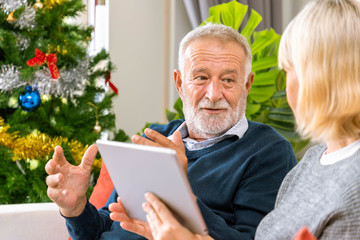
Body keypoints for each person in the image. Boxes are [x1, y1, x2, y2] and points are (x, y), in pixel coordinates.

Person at [45, 23, 297, 240]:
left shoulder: (268, 151)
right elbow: (107, 227)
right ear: (179, 83)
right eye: (200, 77)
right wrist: (76, 208)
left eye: (228, 80)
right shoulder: (156, 137)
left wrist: (181, 192)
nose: (213, 94)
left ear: (247, 84)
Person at [138, 0, 360, 239]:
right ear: (180, 83)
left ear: (325, 77)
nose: (286, 87)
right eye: (201, 77)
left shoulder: (351, 187)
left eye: (289, 70)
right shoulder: (313, 160)